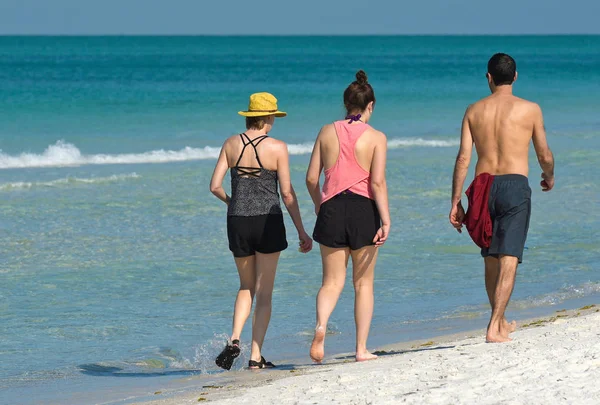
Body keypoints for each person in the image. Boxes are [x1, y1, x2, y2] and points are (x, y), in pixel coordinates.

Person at [449, 53, 555, 343]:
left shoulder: (473, 110)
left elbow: (462, 159)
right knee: (509, 256)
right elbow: (544, 154)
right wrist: (549, 176)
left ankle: (501, 320)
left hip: (483, 185)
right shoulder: (530, 109)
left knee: (490, 256)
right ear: (516, 76)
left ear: (489, 78)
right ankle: (494, 327)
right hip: (514, 185)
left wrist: (456, 200)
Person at [210, 92, 313, 369]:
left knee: (245, 286)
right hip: (267, 222)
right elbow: (288, 194)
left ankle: (234, 339)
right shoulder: (278, 147)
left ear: (249, 116)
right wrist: (302, 231)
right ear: (268, 118)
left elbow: (215, 186)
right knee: (264, 292)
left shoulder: (231, 143)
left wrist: (233, 203)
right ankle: (255, 358)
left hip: (238, 221)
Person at [306, 70, 391, 363]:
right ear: (371, 105)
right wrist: (386, 220)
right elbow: (377, 182)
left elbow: (310, 179)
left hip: (331, 209)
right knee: (363, 284)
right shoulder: (377, 137)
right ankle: (361, 349)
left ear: (345, 104)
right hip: (362, 210)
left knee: (331, 283)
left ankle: (320, 326)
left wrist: (320, 206)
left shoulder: (326, 131)